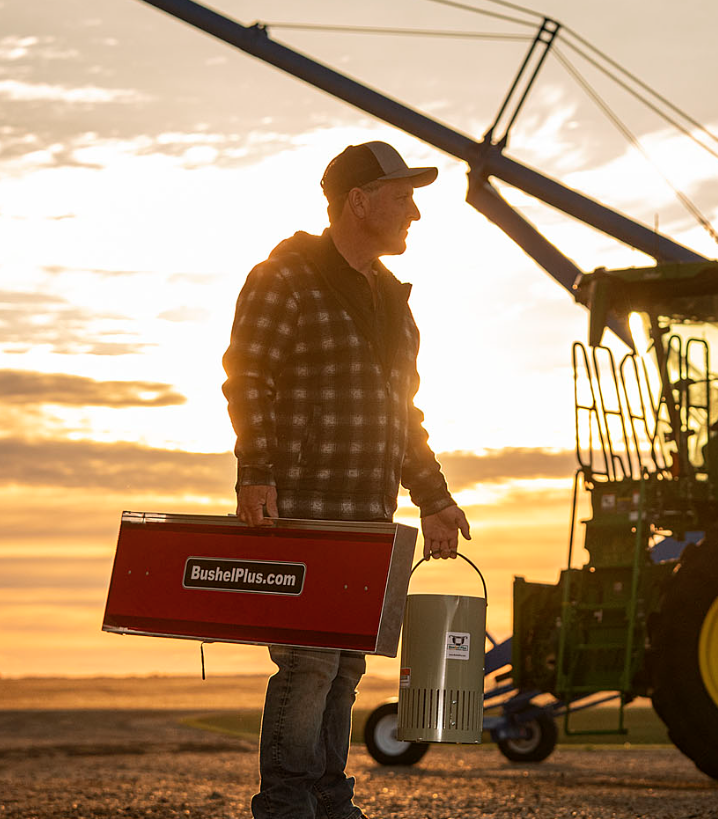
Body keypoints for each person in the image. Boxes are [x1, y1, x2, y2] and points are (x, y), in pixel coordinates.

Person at [222, 140, 472, 819]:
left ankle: (329, 801)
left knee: (346, 668)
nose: (414, 212)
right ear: (359, 203)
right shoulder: (285, 277)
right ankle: (285, 805)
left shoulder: (393, 299)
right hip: (300, 506)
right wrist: (256, 474)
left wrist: (436, 497)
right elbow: (249, 378)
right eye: (402, 198)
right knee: (309, 667)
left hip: (369, 513)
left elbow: (404, 412)